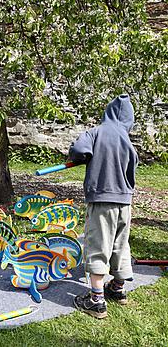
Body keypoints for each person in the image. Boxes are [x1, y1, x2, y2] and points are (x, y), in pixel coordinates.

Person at [68, 94, 138, 319]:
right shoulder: (127, 140)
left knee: (98, 243)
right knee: (120, 243)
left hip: (102, 199)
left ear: (107, 113)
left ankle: (96, 300)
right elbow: (132, 169)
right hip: (125, 201)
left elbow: (79, 150)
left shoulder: (96, 132)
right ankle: (118, 288)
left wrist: (83, 157)